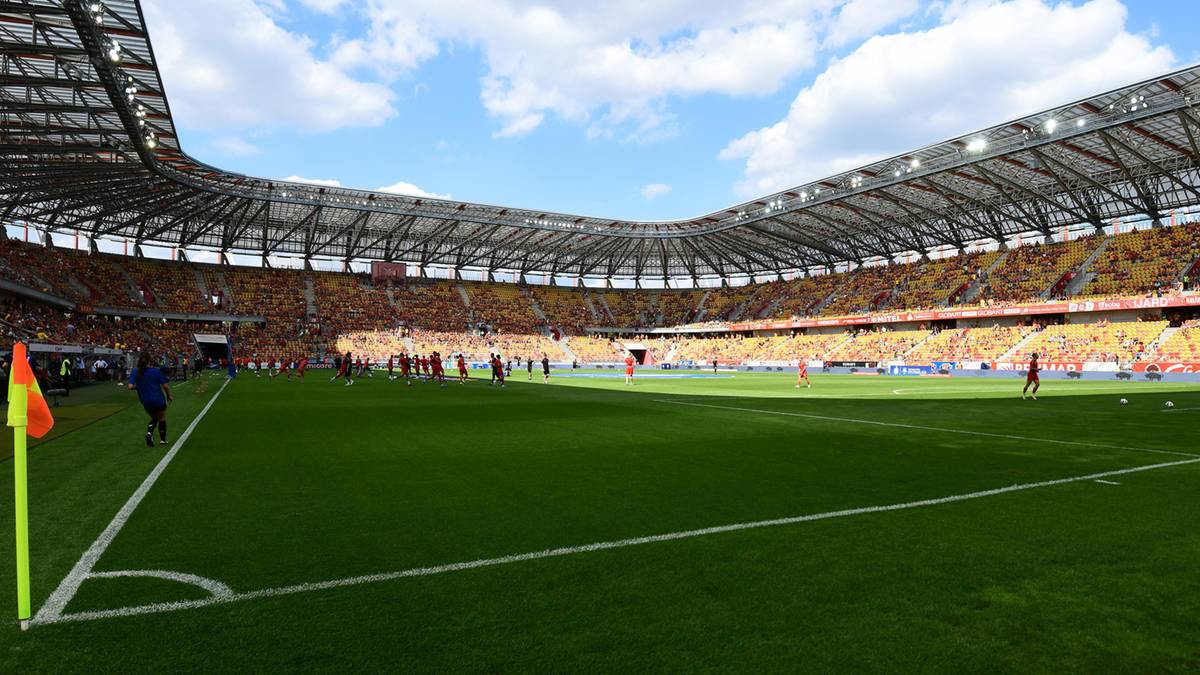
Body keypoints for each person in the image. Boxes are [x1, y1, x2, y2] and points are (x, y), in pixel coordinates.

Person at [128, 352, 172, 447]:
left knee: (154, 418)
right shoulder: (155, 371)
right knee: (161, 418)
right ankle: (163, 440)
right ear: (149, 361)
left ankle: (149, 433)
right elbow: (165, 386)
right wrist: (169, 396)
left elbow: (130, 386)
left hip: (146, 401)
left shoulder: (135, 372)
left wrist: (139, 387)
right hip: (158, 399)